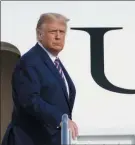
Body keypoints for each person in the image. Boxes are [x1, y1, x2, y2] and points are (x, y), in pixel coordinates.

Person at [2, 12, 78, 145]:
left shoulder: (53, 61)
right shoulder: (30, 61)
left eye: (62, 32)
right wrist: (60, 118)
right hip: (29, 139)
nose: (58, 36)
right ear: (39, 34)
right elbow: (30, 99)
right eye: (53, 31)